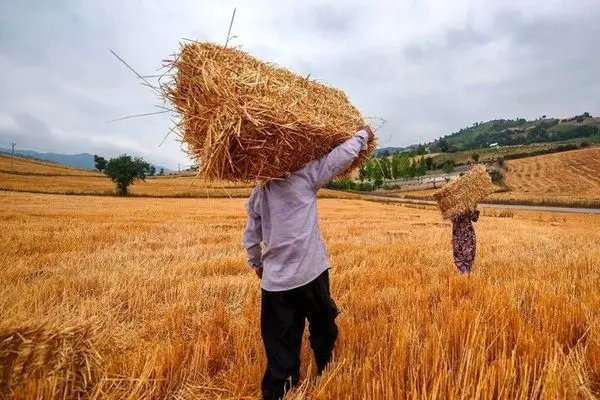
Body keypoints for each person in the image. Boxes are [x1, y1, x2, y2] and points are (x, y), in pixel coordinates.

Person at [243, 126, 374, 400]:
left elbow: (251, 237)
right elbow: (339, 157)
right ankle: (327, 372)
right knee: (323, 325)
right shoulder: (305, 178)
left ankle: (281, 392)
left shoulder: (259, 193)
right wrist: (363, 135)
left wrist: (257, 264)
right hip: (311, 274)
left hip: (276, 284)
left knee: (280, 344)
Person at [451, 208, 480, 274]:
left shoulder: (468, 204)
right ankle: (466, 274)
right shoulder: (453, 204)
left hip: (465, 234)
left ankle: (466, 276)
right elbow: (475, 218)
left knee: (467, 256)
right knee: (461, 256)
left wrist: (471, 207)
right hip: (461, 234)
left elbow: (475, 218)